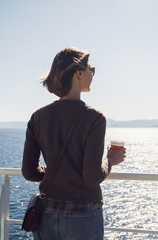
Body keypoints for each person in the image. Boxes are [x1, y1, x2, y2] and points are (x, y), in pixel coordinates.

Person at [22, 47, 126, 240]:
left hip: (46, 213)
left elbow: (29, 172)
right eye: (90, 69)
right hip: (82, 214)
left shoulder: (37, 117)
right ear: (78, 73)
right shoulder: (94, 118)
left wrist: (56, 172)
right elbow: (91, 177)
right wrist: (110, 161)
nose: (92, 73)